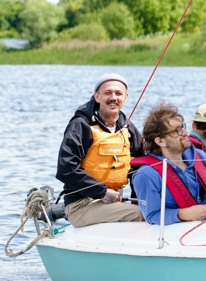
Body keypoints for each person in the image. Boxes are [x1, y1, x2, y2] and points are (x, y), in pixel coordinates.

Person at [56, 73, 144, 226]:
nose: (113, 98)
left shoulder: (127, 128)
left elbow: (140, 166)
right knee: (144, 214)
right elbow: (65, 169)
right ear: (97, 97)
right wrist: (101, 192)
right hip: (81, 205)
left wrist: (139, 200)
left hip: (113, 203)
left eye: (118, 94)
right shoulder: (81, 125)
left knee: (153, 209)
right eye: (107, 93)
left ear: (125, 98)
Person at [131, 102, 206, 225]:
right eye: (177, 130)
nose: (185, 132)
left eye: (183, 127)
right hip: (179, 231)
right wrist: (183, 214)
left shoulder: (200, 157)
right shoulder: (146, 175)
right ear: (160, 141)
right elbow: (152, 216)